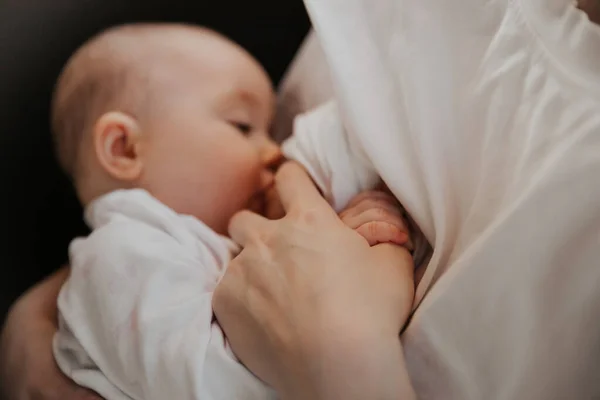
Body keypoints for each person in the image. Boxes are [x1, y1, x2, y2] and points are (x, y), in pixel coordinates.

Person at [49, 23, 417, 399]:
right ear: (124, 149)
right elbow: (210, 386)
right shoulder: (117, 255)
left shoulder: (186, 248)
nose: (274, 151)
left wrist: (333, 251)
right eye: (242, 126)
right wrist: (344, 302)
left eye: (269, 131)